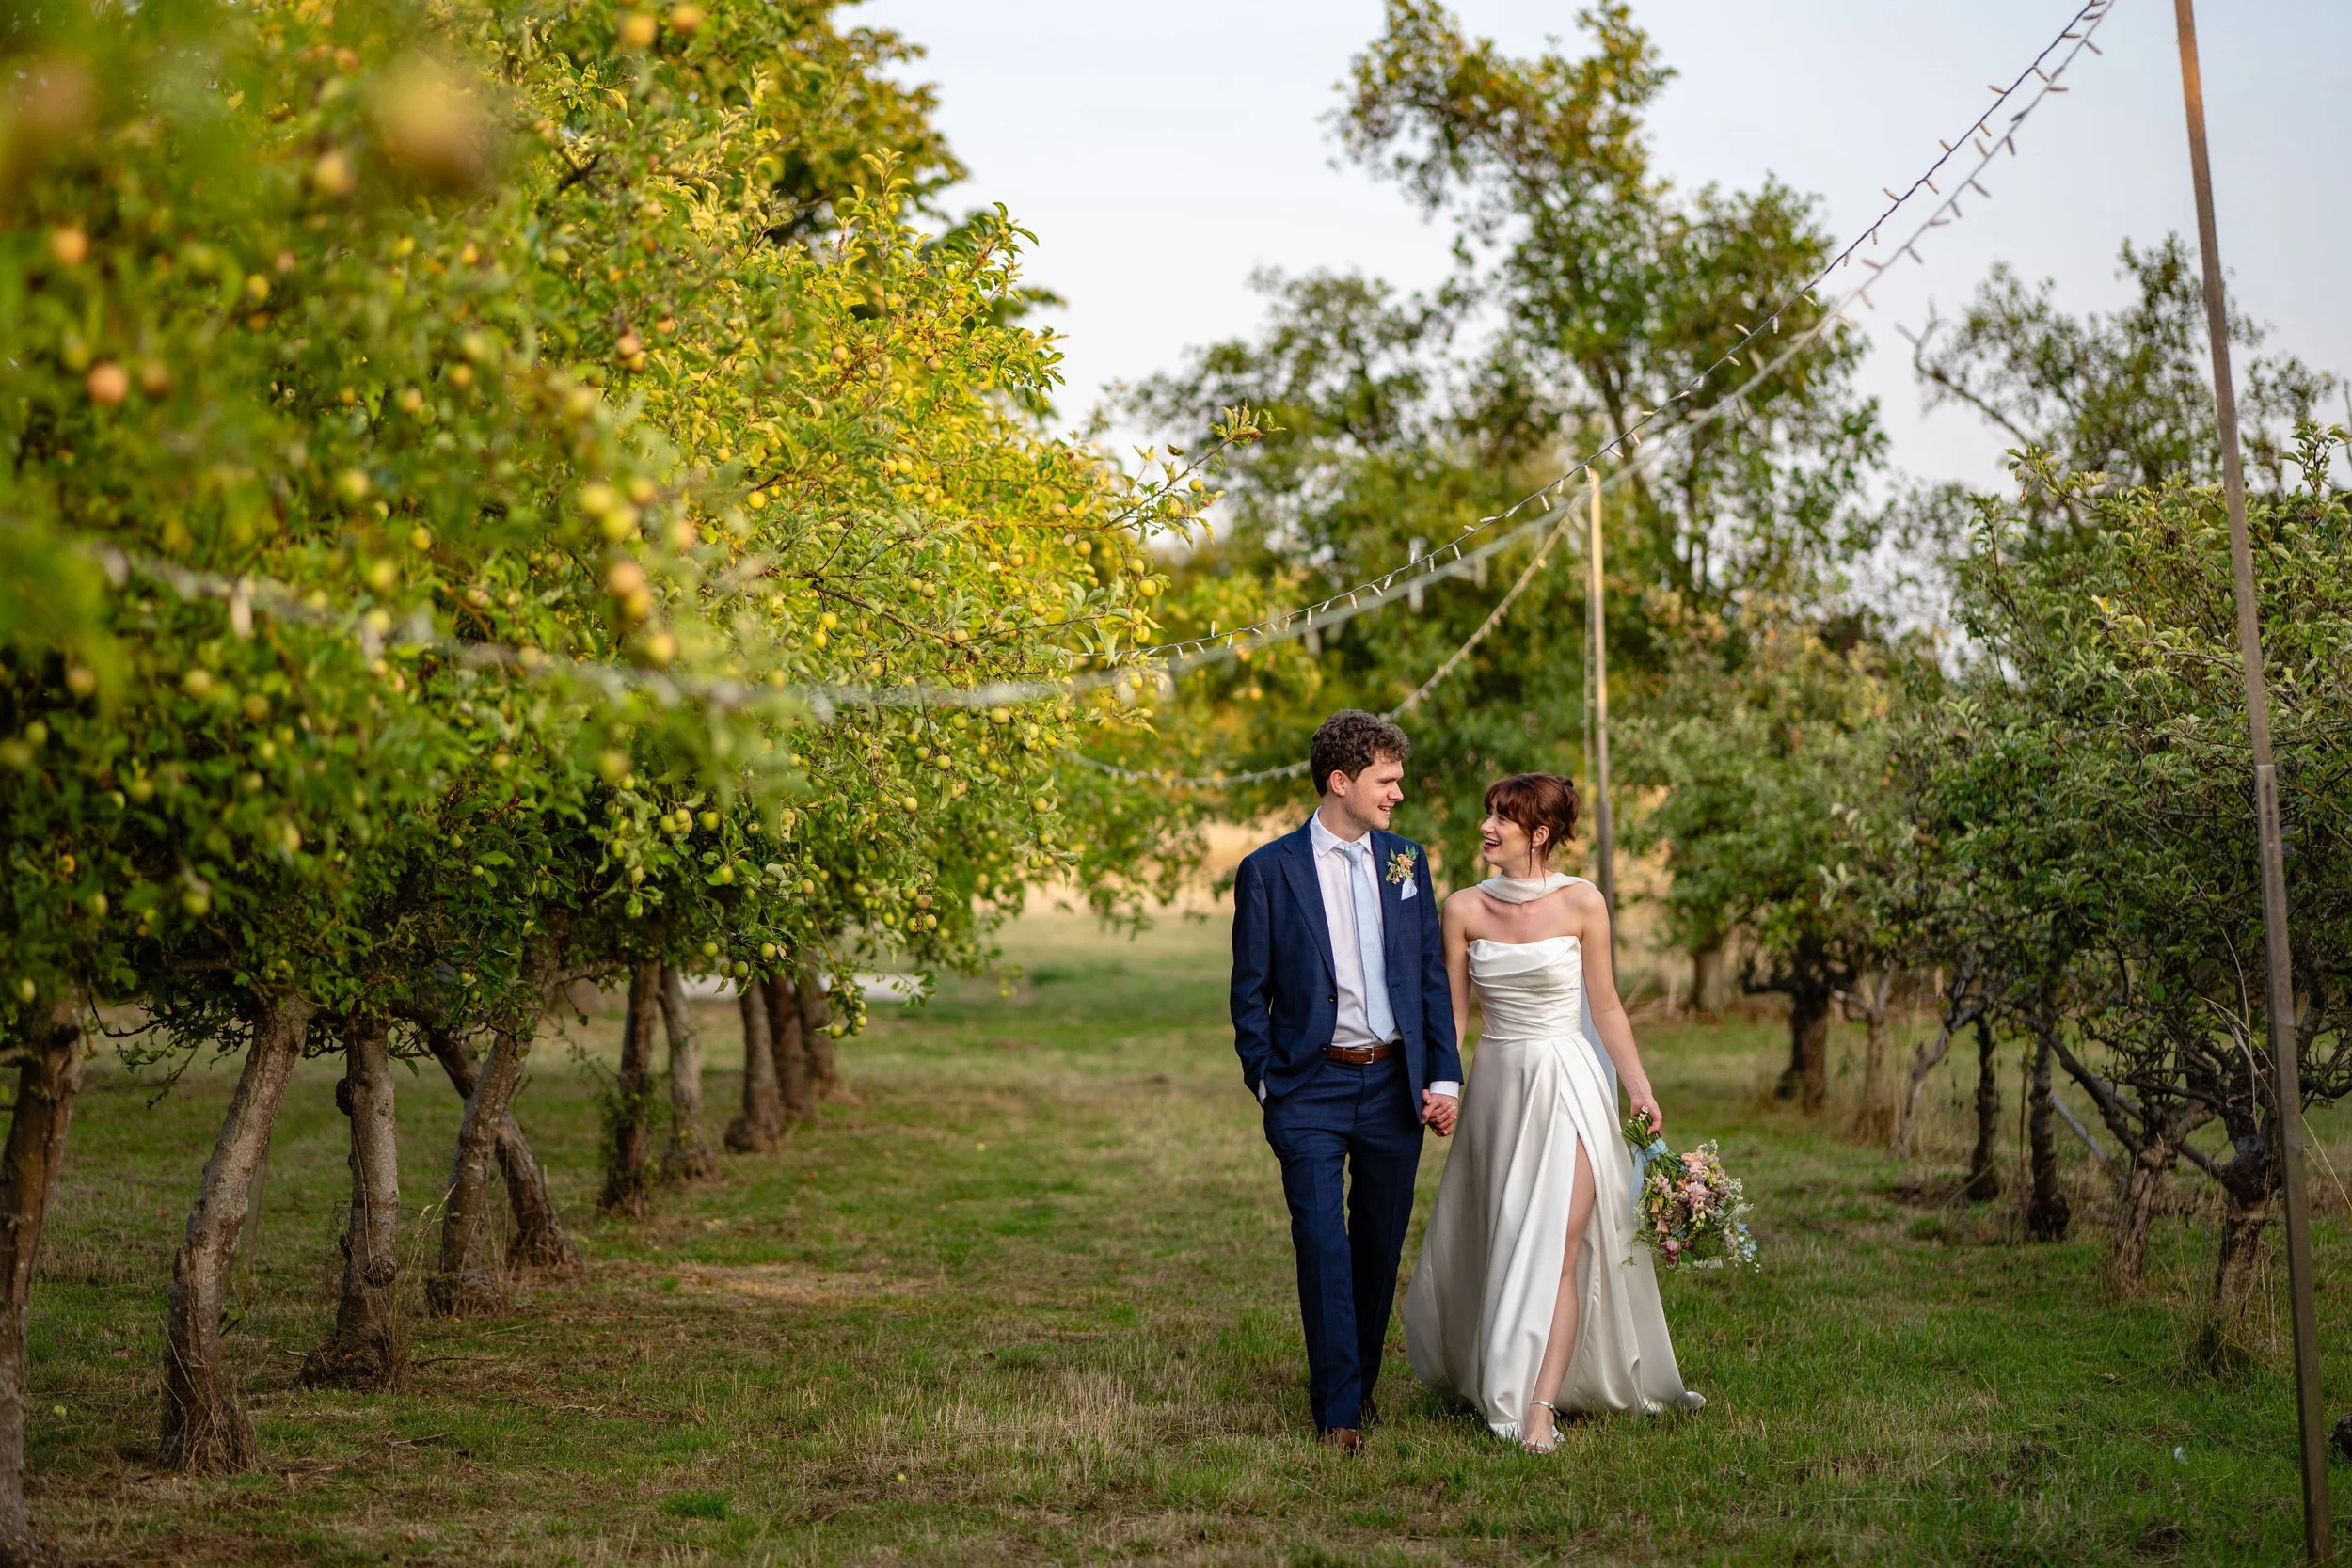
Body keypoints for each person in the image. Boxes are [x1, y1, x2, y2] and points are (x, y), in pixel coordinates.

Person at [1403, 772, 1703, 1453]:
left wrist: (1639, 1086)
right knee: (1506, 1236)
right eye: (1487, 814)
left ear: (1538, 833)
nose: (1487, 826)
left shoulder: (1582, 902)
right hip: (1499, 1087)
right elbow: (1451, 1014)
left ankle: (1536, 1407)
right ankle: (1496, 1365)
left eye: (1502, 818)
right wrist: (1441, 1087)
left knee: (1559, 1247)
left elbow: (1606, 1006)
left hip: (1568, 1079)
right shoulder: (1463, 909)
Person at [1230, 710, 1463, 1452]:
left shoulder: (1406, 861)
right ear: (1342, 781)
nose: (1397, 794)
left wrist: (1444, 1074)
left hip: (1394, 1084)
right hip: (1309, 1090)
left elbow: (1428, 975)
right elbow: (1249, 992)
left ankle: (1356, 1384)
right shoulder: (1269, 871)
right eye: (1385, 780)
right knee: (1322, 1243)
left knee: (1376, 1247)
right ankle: (1337, 1413)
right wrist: (1269, 1083)